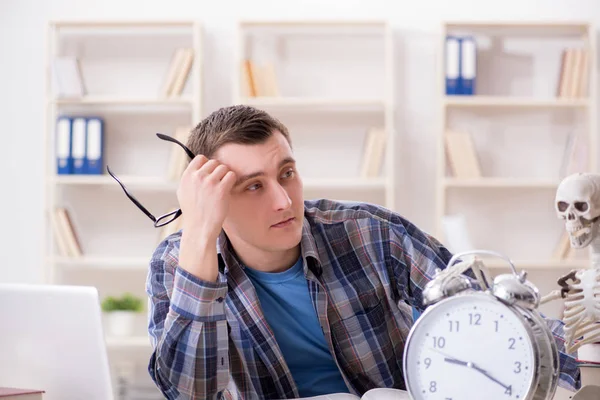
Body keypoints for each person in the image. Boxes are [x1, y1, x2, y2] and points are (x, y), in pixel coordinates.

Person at [145, 105, 580, 399]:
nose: (283, 200)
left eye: (288, 173)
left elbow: (490, 313)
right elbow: (190, 391)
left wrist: (590, 356)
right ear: (213, 200)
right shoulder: (178, 263)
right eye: (253, 186)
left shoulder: (369, 232)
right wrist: (200, 236)